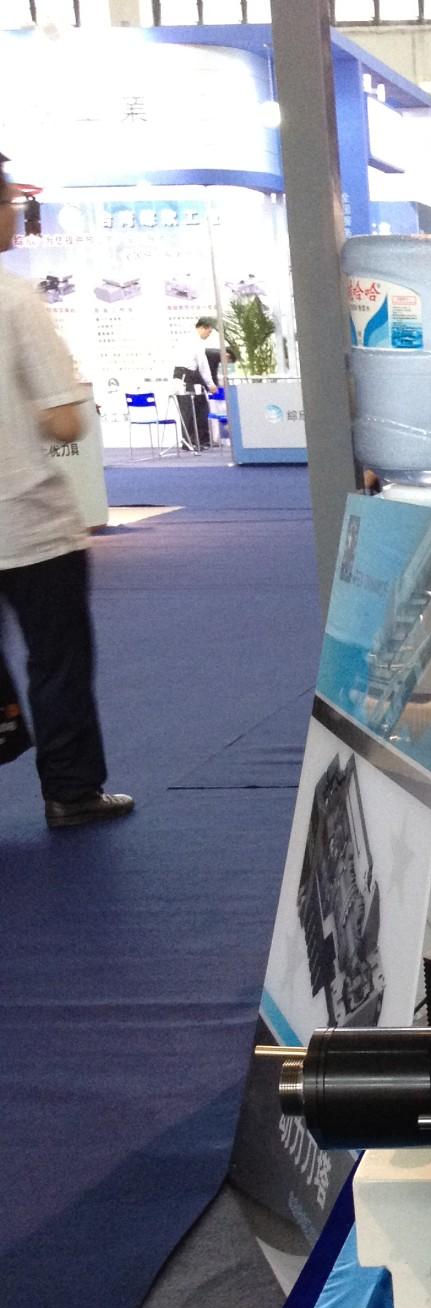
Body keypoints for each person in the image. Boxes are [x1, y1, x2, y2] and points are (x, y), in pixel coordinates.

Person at [0, 151, 131, 828]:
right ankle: (71, 791)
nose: (17, 215)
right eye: (12, 203)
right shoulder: (15, 300)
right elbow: (63, 418)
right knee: (57, 660)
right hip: (28, 519)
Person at [173, 316, 217, 450]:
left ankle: (196, 441)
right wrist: (210, 384)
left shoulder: (186, 338)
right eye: (209, 331)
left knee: (195, 408)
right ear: (203, 328)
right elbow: (203, 365)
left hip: (183, 375)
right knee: (189, 410)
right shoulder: (195, 342)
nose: (209, 335)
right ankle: (190, 442)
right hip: (186, 377)